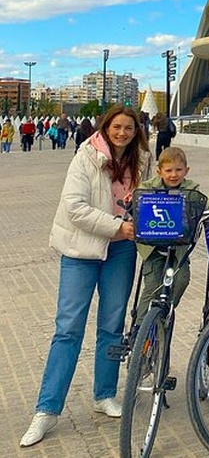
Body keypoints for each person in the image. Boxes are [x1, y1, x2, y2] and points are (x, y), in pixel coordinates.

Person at [20, 106, 151, 447]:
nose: (122, 133)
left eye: (129, 128)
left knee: (112, 326)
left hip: (120, 252)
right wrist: (117, 227)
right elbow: (73, 207)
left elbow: (156, 194)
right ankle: (46, 410)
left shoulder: (140, 160)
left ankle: (104, 394)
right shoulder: (87, 156)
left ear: (136, 131)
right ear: (106, 127)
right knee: (68, 329)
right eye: (117, 127)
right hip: (82, 251)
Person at [133, 147, 209, 324]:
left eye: (178, 170)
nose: (174, 175)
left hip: (179, 248)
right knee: (151, 288)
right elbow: (139, 195)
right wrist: (132, 201)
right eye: (169, 170)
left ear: (186, 171)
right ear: (159, 171)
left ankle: (165, 311)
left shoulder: (191, 189)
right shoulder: (150, 187)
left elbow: (206, 200)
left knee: (181, 279)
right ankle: (139, 329)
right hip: (154, 248)